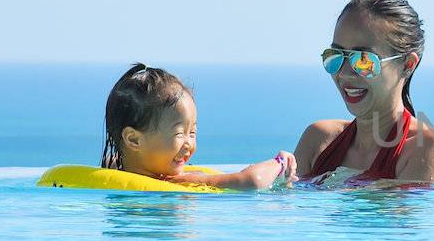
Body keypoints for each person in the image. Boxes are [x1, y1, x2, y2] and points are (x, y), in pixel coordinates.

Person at [295, 0, 434, 184]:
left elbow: (395, 214)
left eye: (364, 60)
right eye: (336, 56)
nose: (345, 73)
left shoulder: (431, 148)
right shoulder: (318, 140)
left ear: (407, 65)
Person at [101, 64, 296, 190]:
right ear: (134, 139)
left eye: (192, 133)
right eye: (180, 133)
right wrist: (280, 162)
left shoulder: (114, 169)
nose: (189, 144)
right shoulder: (183, 181)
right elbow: (252, 182)